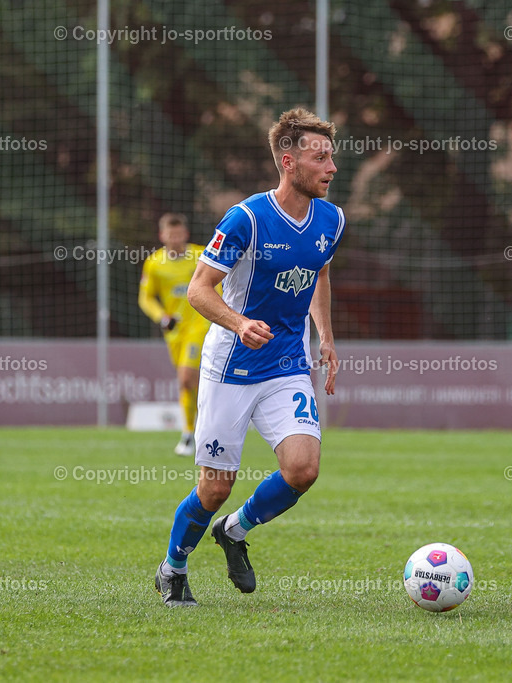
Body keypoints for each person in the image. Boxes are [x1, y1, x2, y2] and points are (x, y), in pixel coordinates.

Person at [154, 108, 345, 606]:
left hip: (286, 365)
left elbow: (320, 272)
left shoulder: (332, 218)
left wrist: (324, 335)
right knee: (215, 486)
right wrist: (239, 323)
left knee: (303, 469)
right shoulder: (246, 219)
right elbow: (199, 290)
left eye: (332, 156)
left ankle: (234, 531)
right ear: (288, 161)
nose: (331, 167)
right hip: (231, 369)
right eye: (320, 157)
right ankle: (173, 567)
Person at [138, 213, 211, 457]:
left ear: (186, 235)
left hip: (200, 326)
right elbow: (145, 297)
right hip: (175, 331)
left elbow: (219, 283)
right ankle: (193, 429)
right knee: (188, 383)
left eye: (179, 234)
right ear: (162, 236)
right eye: (171, 235)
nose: (175, 239)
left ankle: (192, 434)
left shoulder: (201, 255)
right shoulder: (154, 263)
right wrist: (161, 317)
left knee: (186, 377)